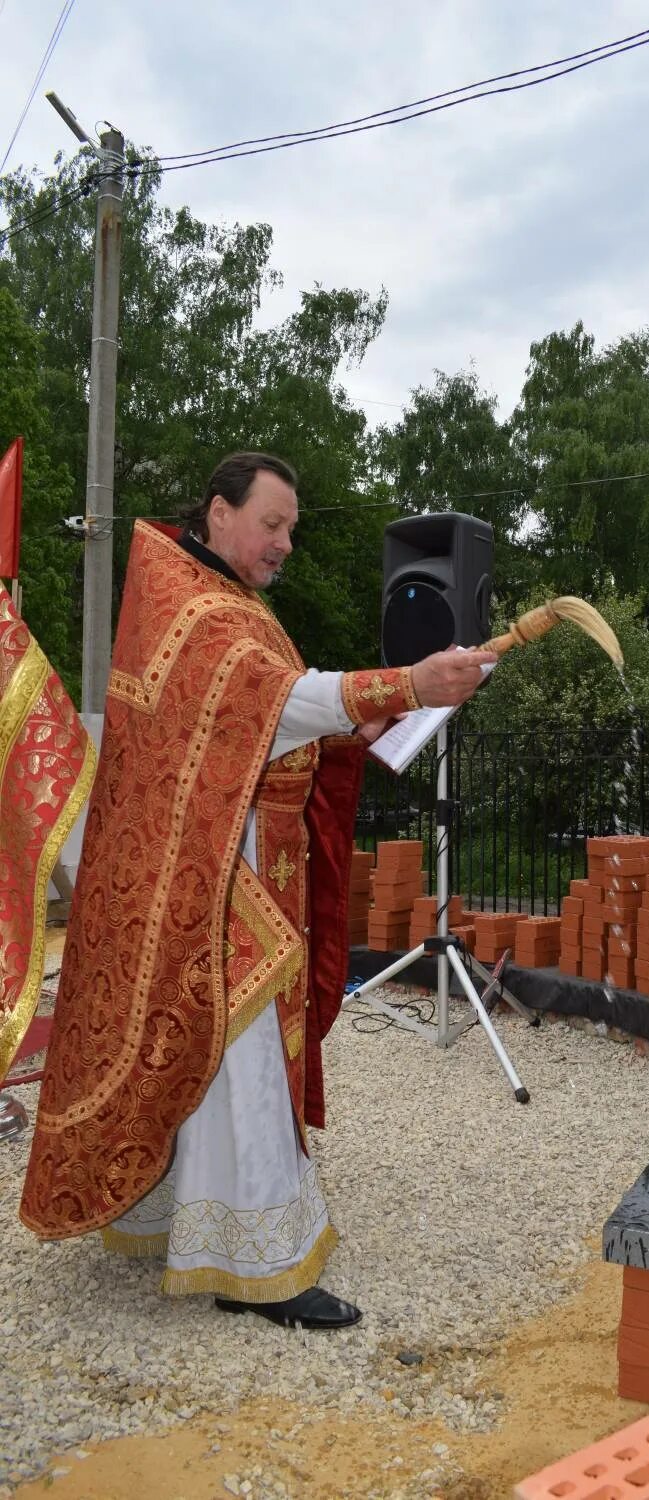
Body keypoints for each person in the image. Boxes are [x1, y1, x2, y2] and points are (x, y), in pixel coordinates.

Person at [19, 452, 495, 1330]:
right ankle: (256, 1260)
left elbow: (283, 715)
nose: (283, 544)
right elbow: (269, 699)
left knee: (220, 1052)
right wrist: (404, 684)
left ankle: (174, 1220)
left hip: (242, 860)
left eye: (291, 530)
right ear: (219, 512)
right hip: (205, 876)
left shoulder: (233, 603)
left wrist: (368, 717)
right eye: (272, 524)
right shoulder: (193, 607)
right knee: (238, 1055)